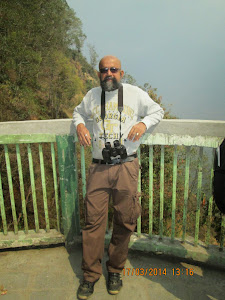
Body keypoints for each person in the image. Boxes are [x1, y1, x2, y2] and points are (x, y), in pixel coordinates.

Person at [73, 55, 164, 299]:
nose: (109, 73)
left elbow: (157, 111)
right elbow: (77, 113)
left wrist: (144, 124)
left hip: (127, 167)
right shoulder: (92, 95)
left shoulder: (135, 94)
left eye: (114, 69)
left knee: (125, 220)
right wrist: (80, 125)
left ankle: (115, 270)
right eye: (104, 70)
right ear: (99, 74)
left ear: (121, 73)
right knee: (93, 222)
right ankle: (90, 275)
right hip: (99, 168)